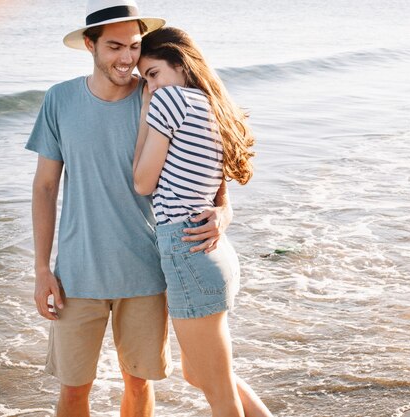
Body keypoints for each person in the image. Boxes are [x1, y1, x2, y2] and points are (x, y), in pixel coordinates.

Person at [26, 1, 232, 416]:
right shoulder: (59, 99)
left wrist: (224, 214)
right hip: (77, 275)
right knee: (72, 392)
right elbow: (45, 187)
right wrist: (42, 269)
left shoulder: (160, 94)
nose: (126, 59)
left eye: (134, 46)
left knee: (138, 387)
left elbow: (211, 165)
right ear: (90, 45)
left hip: (146, 272)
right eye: (114, 46)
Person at [133, 27, 272, 417]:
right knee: (202, 376)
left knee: (220, 395)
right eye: (146, 79)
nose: (152, 86)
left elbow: (142, 181)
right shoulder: (211, 105)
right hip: (212, 252)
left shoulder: (169, 101)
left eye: (154, 73)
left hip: (187, 251)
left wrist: (146, 111)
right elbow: (215, 192)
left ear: (180, 63)